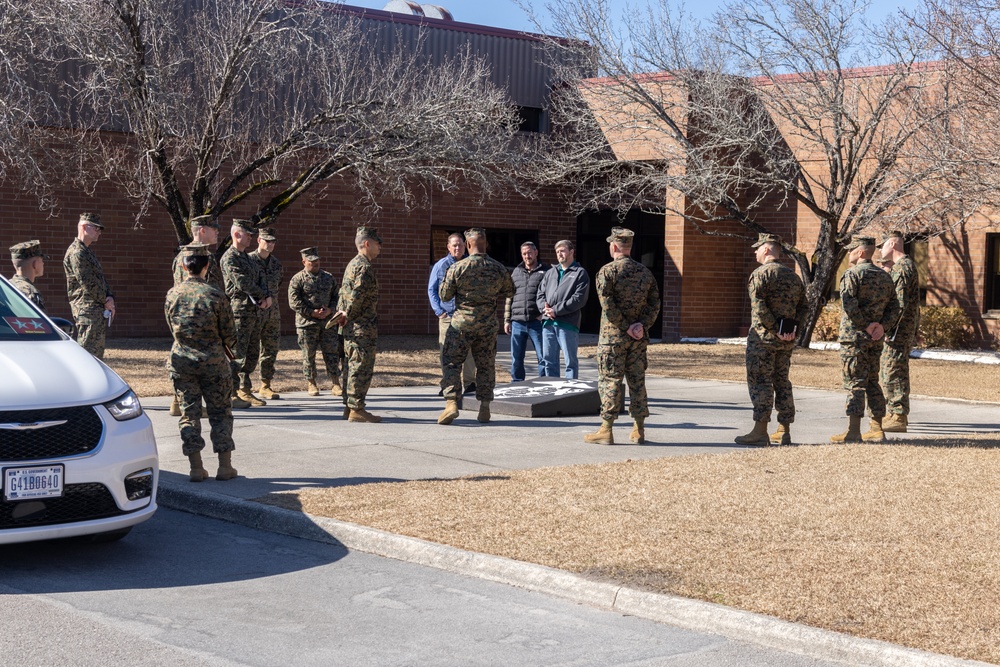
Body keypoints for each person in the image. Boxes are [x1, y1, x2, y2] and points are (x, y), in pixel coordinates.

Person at [163, 242, 239, 482]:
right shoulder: (216, 295)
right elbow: (229, 332)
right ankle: (224, 467)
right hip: (214, 363)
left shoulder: (172, 294)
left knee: (189, 414)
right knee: (220, 413)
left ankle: (196, 467)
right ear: (206, 266)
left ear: (185, 267)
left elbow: (171, 327)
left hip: (182, 362)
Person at [584, 227, 661, 445]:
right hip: (637, 339)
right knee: (637, 381)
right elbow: (655, 303)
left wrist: (626, 326)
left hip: (613, 339)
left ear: (614, 246)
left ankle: (606, 429)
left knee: (610, 381)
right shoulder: (645, 273)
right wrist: (640, 326)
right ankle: (639, 429)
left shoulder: (607, 272)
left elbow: (607, 305)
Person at [734, 233, 807, 446]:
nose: (755, 252)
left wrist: (775, 329)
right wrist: (792, 331)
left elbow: (759, 307)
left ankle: (760, 431)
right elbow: (804, 307)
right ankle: (784, 430)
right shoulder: (793, 277)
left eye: (757, 248)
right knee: (782, 381)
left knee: (760, 381)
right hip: (786, 340)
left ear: (767, 249)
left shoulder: (760, 274)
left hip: (764, 340)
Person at [437, 228, 515, 425]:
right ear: (485, 244)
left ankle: (452, 403)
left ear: (468, 245)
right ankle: (485, 407)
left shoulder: (458, 267)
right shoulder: (498, 268)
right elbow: (509, 291)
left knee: (452, 362)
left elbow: (444, 295)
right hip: (487, 325)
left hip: (461, 323)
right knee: (486, 365)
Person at [831, 235, 900, 443]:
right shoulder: (884, 276)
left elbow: (849, 304)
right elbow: (895, 307)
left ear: (860, 252)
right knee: (872, 380)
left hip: (854, 338)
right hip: (875, 338)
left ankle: (853, 431)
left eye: (851, 250)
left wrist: (866, 325)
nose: (848, 253)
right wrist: (882, 327)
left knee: (855, 383)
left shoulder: (852, 274)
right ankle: (877, 428)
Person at [169, 215, 224, 417]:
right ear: (201, 230)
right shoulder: (191, 256)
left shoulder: (199, 255)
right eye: (213, 228)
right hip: (198, 319)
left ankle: (179, 401)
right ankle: (183, 402)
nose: (217, 231)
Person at [330, 226, 382, 423]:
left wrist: (343, 316)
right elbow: (356, 297)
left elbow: (345, 295)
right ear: (367, 244)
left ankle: (349, 406)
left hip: (351, 327)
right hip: (361, 327)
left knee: (351, 367)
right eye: (378, 244)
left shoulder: (353, 263)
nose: (380, 248)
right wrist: (347, 314)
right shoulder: (364, 266)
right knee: (360, 367)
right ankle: (357, 408)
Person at [221, 219, 272, 409]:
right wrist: (262, 294)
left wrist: (267, 296)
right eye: (248, 234)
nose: (251, 237)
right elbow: (242, 282)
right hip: (239, 313)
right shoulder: (229, 257)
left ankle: (245, 390)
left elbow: (261, 277)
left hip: (255, 312)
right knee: (237, 355)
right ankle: (232, 393)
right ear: (236, 234)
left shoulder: (249, 259)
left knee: (252, 354)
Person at [877, 230, 921, 433]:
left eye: (882, 245)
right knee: (891, 370)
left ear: (893, 244)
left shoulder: (903, 268)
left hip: (898, 330)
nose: (880, 250)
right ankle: (894, 412)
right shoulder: (903, 266)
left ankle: (898, 415)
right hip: (900, 328)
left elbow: (900, 304)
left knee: (894, 371)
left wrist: (887, 326)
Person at [288, 247, 341, 397]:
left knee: (331, 353)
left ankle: (335, 382)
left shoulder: (328, 277)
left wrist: (330, 310)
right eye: (311, 261)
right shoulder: (297, 279)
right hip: (307, 324)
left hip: (328, 323)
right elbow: (294, 302)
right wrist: (311, 313)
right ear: (304, 262)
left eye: (317, 260)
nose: (315, 263)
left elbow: (337, 297)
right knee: (308, 354)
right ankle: (311, 383)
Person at [428, 232, 475, 394]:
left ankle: (470, 384)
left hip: (467, 316)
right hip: (448, 316)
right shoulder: (441, 265)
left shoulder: (471, 264)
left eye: (460, 244)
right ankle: (449, 384)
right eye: (454, 245)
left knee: (469, 350)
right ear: (448, 247)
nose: (457, 247)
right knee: (446, 352)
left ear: (465, 246)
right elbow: (432, 289)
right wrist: (439, 312)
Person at [63, 212, 115, 358]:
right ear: (85, 227)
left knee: (96, 356)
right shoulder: (77, 253)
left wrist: (110, 297)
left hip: (95, 309)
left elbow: (100, 279)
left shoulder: (87, 252)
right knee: (87, 356)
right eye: (97, 228)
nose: (99, 232)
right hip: (87, 311)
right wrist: (107, 301)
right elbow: (88, 283)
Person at [537, 239, 590, 378]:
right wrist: (545, 308)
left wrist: (556, 310)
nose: (560, 254)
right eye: (557, 252)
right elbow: (540, 294)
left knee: (570, 362)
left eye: (562, 251)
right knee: (548, 361)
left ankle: (570, 394)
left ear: (571, 252)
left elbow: (578, 299)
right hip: (548, 322)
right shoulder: (550, 272)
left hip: (568, 323)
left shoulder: (580, 273)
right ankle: (552, 393)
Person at [503, 241, 549, 381]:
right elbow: (509, 296)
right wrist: (507, 319)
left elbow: (551, 294)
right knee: (516, 359)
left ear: (536, 252)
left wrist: (543, 314)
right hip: (517, 322)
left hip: (537, 322)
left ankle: (544, 383)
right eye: (524, 254)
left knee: (543, 357)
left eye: (529, 253)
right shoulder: (516, 272)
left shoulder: (546, 271)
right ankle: (517, 384)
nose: (527, 256)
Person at [250, 228, 283, 400]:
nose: (270, 244)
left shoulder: (276, 264)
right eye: (266, 240)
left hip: (272, 313)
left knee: (270, 349)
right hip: (254, 312)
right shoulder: (248, 260)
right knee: (251, 349)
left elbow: (278, 285)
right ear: (258, 240)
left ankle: (265, 384)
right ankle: (243, 386)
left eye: (273, 241)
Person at [8, 240, 48, 310]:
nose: (43, 263)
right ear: (35, 264)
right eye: (42, 260)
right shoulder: (31, 293)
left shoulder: (6, 287)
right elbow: (37, 320)